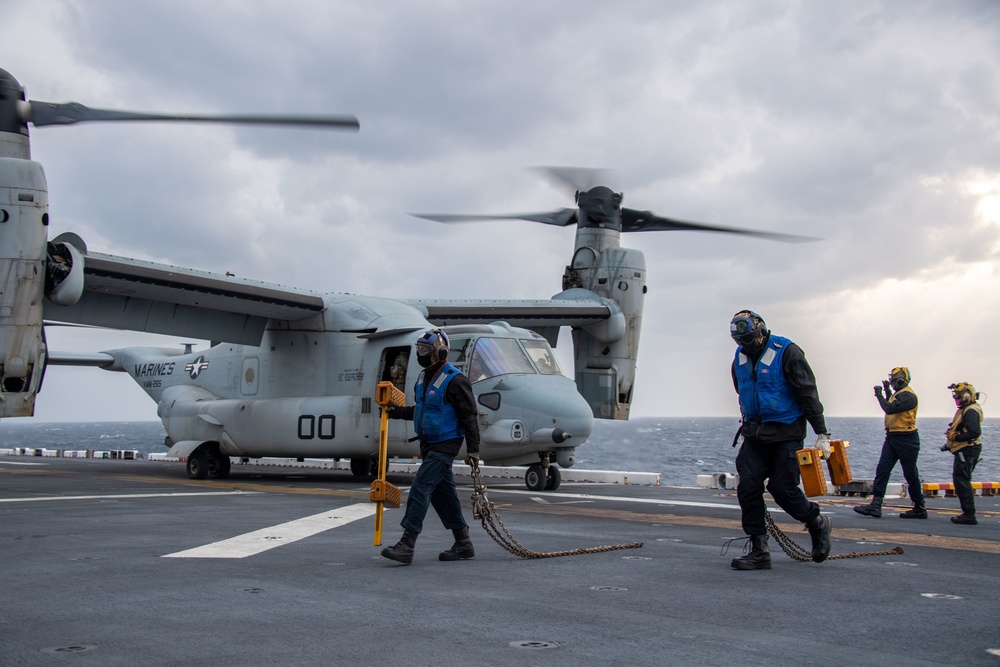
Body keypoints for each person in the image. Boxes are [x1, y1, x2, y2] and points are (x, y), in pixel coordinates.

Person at [728, 310, 833, 570]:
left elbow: (807, 392)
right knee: (748, 486)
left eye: (750, 340)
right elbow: (741, 387)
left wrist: (822, 433)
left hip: (786, 433)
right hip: (754, 432)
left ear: (761, 331)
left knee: (782, 488)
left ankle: (816, 522)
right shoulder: (740, 355)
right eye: (741, 341)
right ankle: (759, 550)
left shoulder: (787, 351)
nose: (746, 346)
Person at [381, 328, 481, 564]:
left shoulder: (455, 380)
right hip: (429, 445)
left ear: (441, 352)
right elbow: (423, 411)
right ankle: (463, 543)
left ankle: (407, 544)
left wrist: (473, 450)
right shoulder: (424, 378)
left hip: (445, 445)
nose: (421, 354)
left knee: (420, 488)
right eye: (420, 349)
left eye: (425, 350)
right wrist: (397, 412)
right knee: (443, 496)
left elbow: (469, 417)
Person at [854, 367, 926, 519]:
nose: (893, 383)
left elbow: (890, 408)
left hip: (906, 438)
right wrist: (887, 392)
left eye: (895, 380)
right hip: (893, 437)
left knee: (910, 473)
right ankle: (876, 505)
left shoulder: (908, 396)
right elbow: (892, 403)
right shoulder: (899, 395)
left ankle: (919, 506)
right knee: (882, 470)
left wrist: (879, 394)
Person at [943, 382, 984, 525]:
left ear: (967, 396)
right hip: (965, 450)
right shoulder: (966, 409)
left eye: (959, 397)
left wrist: (955, 438)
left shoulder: (970, 410)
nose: (957, 399)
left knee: (962, 481)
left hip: (967, 450)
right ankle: (968, 513)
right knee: (961, 480)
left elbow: (974, 432)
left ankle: (969, 514)